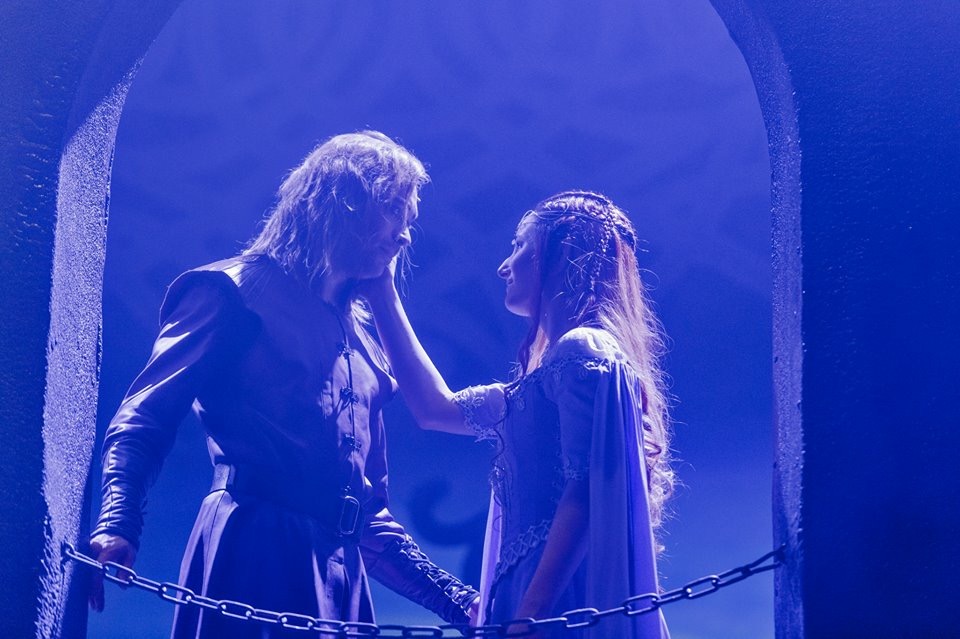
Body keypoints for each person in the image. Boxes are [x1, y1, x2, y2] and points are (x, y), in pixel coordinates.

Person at [88, 131, 480, 638]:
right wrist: (118, 522)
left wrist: (459, 602)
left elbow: (365, 512)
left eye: (410, 220)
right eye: (393, 210)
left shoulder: (365, 345)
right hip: (252, 556)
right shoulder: (232, 291)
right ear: (344, 201)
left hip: (340, 581)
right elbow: (144, 417)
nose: (404, 235)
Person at [364, 190, 673, 638]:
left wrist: (529, 614)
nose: (504, 266)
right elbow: (433, 409)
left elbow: (584, 491)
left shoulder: (583, 350)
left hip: (554, 598)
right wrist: (382, 292)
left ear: (560, 255)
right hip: (530, 593)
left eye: (519, 246)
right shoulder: (545, 378)